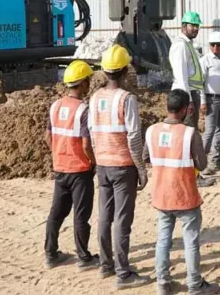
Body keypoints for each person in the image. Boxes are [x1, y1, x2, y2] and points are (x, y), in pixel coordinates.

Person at [90, 45, 152, 288]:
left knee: (105, 216)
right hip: (123, 165)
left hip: (103, 164)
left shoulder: (94, 98)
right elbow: (134, 136)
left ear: (105, 72)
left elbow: (93, 133)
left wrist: (99, 158)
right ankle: (123, 273)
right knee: (122, 219)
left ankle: (106, 265)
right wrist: (141, 168)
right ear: (125, 71)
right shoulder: (127, 99)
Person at [147, 90, 219, 295]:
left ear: (167, 106)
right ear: (187, 109)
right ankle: (194, 285)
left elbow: (146, 156)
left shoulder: (151, 131)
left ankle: (163, 283)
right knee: (191, 242)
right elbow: (202, 164)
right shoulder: (189, 134)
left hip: (161, 196)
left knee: (163, 240)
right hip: (185, 196)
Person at [44, 60, 99, 271]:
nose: (89, 85)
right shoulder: (83, 110)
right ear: (83, 82)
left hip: (60, 168)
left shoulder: (55, 106)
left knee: (56, 213)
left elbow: (48, 136)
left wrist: (59, 153)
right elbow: (86, 144)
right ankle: (84, 258)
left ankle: (50, 254)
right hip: (79, 170)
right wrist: (93, 161)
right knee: (81, 215)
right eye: (88, 81)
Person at [199, 31, 220, 174]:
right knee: (209, 131)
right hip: (211, 99)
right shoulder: (205, 60)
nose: (215, 47)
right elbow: (201, 83)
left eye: (218, 45)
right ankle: (200, 162)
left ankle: (215, 159)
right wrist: (202, 101)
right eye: (212, 45)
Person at [169, 11, 206, 127]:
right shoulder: (181, 45)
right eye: (192, 25)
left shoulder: (187, 44)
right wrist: (189, 101)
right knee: (186, 131)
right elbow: (181, 76)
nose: (196, 28)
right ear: (183, 26)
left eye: (197, 26)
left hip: (189, 93)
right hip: (185, 94)